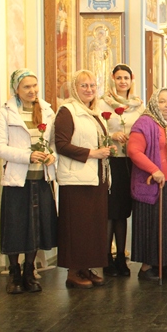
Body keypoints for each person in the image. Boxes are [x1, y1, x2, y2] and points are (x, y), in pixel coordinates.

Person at [0, 69, 58, 294]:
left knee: (37, 227)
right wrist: (27, 156)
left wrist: (51, 156)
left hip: (41, 179)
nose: (32, 91)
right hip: (17, 181)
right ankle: (14, 272)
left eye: (34, 86)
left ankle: (30, 271)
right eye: (26, 87)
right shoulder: (7, 112)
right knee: (16, 227)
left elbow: (53, 143)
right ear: (17, 90)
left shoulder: (48, 111)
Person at [55, 69, 114, 289]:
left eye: (92, 85)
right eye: (84, 86)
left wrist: (104, 151)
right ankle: (73, 271)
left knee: (92, 226)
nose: (89, 90)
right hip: (76, 179)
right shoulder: (67, 111)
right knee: (77, 226)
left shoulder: (95, 112)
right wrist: (92, 153)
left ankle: (86, 267)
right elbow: (61, 145)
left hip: (96, 177)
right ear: (74, 88)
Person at [128, 89, 167, 280]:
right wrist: (154, 170)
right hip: (156, 184)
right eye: (162, 101)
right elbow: (134, 151)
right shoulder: (144, 123)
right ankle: (147, 266)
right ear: (154, 103)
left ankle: (165, 261)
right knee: (153, 224)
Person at [98, 64, 144, 277]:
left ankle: (120, 259)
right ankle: (106, 257)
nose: (123, 81)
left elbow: (145, 130)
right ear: (113, 79)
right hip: (111, 161)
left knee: (123, 212)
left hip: (130, 163)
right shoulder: (102, 103)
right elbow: (96, 130)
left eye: (126, 77)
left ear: (132, 79)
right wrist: (112, 135)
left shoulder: (138, 106)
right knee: (109, 212)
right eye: (119, 78)